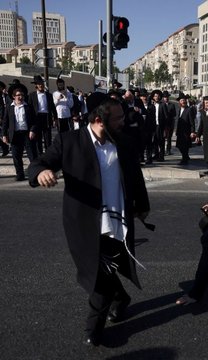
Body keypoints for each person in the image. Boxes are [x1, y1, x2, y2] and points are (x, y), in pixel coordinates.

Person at [27, 94, 150, 346]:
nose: (123, 122)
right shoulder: (68, 141)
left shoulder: (123, 142)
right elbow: (39, 163)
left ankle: (93, 328)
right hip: (83, 223)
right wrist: (41, 172)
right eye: (117, 118)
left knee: (100, 274)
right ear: (98, 119)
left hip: (117, 221)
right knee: (94, 269)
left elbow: (134, 175)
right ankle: (120, 298)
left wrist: (142, 205)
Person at [2, 88, 38, 181]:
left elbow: (34, 121)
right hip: (15, 135)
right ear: (14, 97)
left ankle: (35, 175)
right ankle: (20, 174)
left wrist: (32, 130)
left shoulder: (28, 107)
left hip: (27, 134)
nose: (21, 97)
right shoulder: (9, 107)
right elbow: (5, 122)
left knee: (32, 156)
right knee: (16, 156)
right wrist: (4, 135)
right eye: (18, 95)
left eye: (22, 95)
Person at [28, 75, 57, 155]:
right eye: (38, 84)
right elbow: (29, 109)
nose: (41, 85)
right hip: (36, 118)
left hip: (46, 117)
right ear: (36, 85)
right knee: (38, 139)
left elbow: (53, 107)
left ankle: (49, 154)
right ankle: (40, 155)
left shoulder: (49, 95)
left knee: (48, 138)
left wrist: (55, 118)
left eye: (41, 83)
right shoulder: (32, 95)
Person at [175, 92, 196, 165]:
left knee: (184, 147)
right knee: (179, 146)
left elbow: (192, 122)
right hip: (179, 132)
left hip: (186, 132)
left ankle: (184, 159)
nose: (183, 102)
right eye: (181, 100)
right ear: (179, 102)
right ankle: (186, 156)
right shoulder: (179, 109)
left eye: (184, 100)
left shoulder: (189, 110)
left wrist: (192, 131)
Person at [162, 91, 176, 156]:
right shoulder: (161, 104)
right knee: (162, 138)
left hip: (170, 123)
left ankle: (168, 150)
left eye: (167, 97)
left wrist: (168, 115)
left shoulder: (172, 105)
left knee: (169, 138)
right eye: (165, 97)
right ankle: (162, 150)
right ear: (163, 98)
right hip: (163, 124)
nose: (166, 98)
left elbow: (174, 114)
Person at [0, 81, 11, 156]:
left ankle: (6, 145)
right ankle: (5, 146)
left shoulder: (5, 96)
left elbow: (1, 107)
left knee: (3, 133)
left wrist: (1, 117)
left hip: (3, 117)